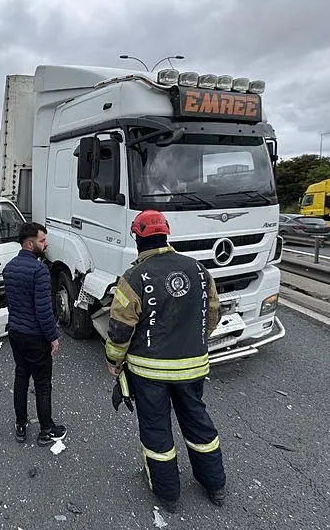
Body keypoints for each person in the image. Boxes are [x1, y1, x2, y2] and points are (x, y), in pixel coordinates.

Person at [105, 209, 225, 512]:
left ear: (137, 237)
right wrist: (192, 343)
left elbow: (121, 328)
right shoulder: (198, 269)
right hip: (193, 366)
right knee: (198, 421)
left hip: (149, 372)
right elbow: (211, 315)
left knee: (157, 428)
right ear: (166, 234)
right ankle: (215, 485)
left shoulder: (133, 277)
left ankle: (168, 494)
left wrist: (113, 360)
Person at [2, 222, 66, 446]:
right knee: (42, 384)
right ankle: (46, 430)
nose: (45, 243)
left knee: (21, 377)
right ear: (30, 244)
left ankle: (21, 425)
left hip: (16, 333)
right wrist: (52, 337)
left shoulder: (9, 268)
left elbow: (12, 304)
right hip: (35, 337)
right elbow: (43, 310)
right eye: (42, 240)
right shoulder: (39, 271)